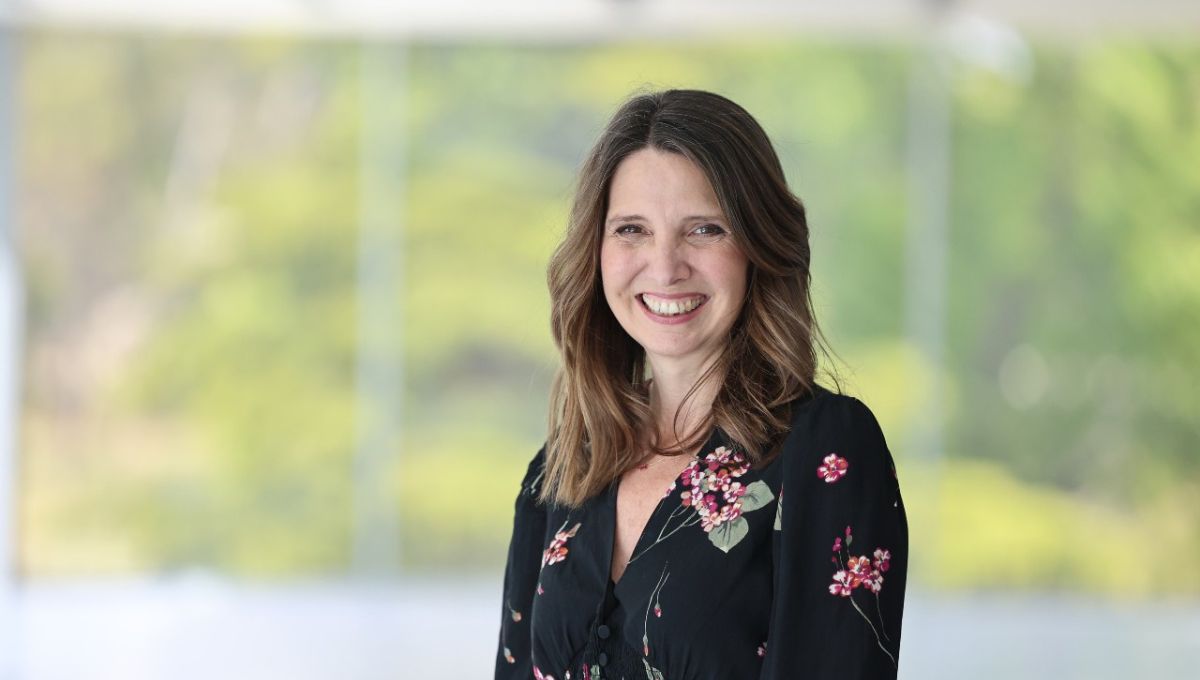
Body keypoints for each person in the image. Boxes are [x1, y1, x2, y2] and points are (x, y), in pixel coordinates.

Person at [495, 89, 907, 680]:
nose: (665, 266)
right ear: (597, 250)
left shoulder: (825, 450)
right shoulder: (559, 471)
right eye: (632, 229)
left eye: (705, 229)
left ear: (758, 247)